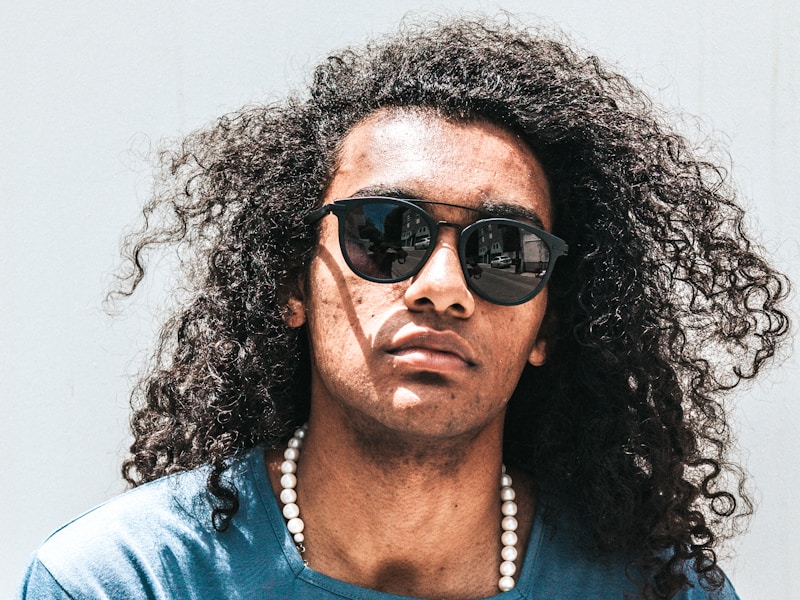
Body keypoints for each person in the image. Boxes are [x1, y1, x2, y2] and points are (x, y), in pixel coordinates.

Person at [16, 16, 789, 600]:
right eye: (385, 233)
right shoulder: (121, 584)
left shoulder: (657, 591)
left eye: (506, 251)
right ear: (291, 285)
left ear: (548, 324)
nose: (443, 286)